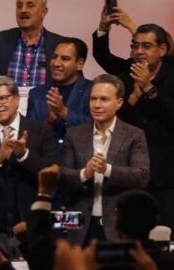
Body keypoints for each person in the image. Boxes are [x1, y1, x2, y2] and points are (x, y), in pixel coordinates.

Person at [0, 76, 59, 256]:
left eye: (2, 98)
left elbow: (53, 172)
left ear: (16, 99)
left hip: (30, 225)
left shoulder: (41, 130)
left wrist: (24, 155)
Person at [60, 75, 150, 244]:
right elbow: (62, 175)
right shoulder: (74, 134)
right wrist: (85, 173)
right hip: (78, 225)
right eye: (93, 99)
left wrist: (107, 169)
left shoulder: (134, 135)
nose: (97, 105)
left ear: (119, 103)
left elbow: (141, 176)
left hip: (118, 226)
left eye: (104, 99)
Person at [112, 23, 174, 228]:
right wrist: (133, 98)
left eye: (146, 46)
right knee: (132, 235)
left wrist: (149, 88)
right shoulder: (123, 78)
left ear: (162, 49)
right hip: (130, 172)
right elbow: (115, 124)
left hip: (166, 176)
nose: (138, 52)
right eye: (135, 45)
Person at [0, 0, 63, 108]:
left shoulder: (59, 44)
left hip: (46, 115)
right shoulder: (1, 41)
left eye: (30, 5)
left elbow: (72, 82)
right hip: (6, 114)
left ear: (44, 12)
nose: (23, 10)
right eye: (19, 6)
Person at [27, 37, 92, 146]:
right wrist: (49, 122)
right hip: (47, 155)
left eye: (65, 58)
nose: (56, 63)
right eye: (54, 57)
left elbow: (98, 128)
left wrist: (64, 112)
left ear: (79, 64)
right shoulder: (36, 94)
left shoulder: (93, 91)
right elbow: (30, 136)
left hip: (82, 156)